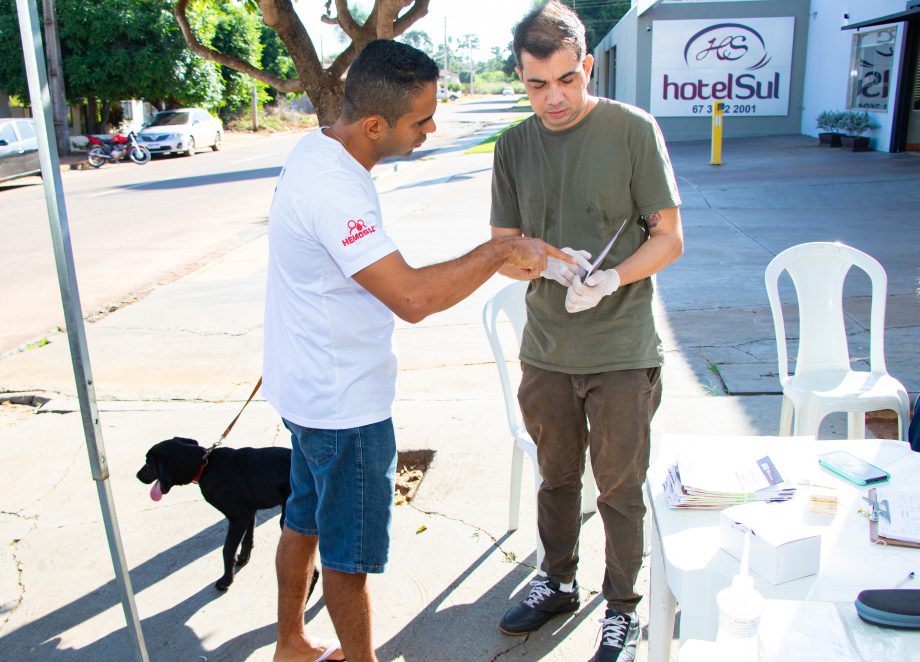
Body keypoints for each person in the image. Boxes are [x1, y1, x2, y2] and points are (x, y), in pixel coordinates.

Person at [262, 39, 572, 662]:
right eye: (420, 120)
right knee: (348, 558)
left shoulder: (320, 147)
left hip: (304, 390)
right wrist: (496, 253)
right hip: (342, 404)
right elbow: (411, 298)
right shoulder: (336, 191)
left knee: (304, 519)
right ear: (374, 124)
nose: (432, 128)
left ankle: (292, 642)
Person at [490, 3, 684, 661]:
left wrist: (614, 276)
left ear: (588, 67)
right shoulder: (514, 145)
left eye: (567, 80)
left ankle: (624, 608)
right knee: (556, 477)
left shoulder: (633, 131)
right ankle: (558, 580)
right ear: (520, 77)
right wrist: (546, 258)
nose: (554, 98)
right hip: (547, 351)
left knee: (621, 488)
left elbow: (669, 238)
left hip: (623, 351)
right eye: (537, 84)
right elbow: (503, 247)